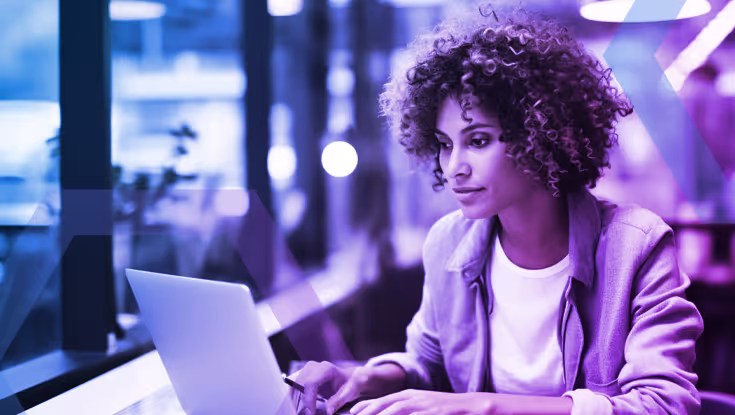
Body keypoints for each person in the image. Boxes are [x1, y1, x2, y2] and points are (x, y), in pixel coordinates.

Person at [291, 5, 704, 415]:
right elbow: (429, 365)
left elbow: (664, 405)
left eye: (478, 140)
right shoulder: (448, 242)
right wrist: (366, 377)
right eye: (445, 144)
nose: (454, 167)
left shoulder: (638, 247)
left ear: (540, 136)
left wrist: (484, 406)